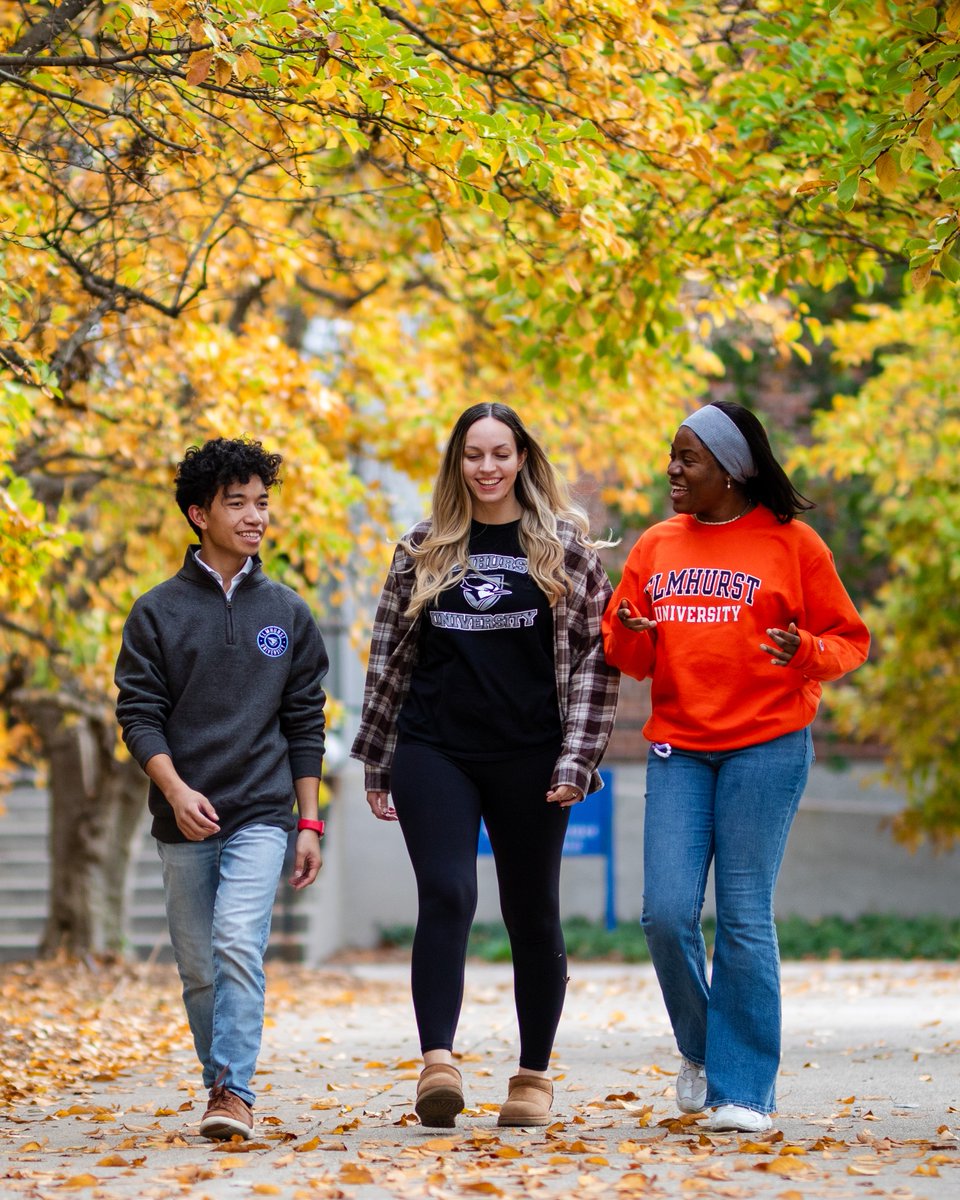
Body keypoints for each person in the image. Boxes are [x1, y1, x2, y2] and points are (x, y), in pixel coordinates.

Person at [602, 401, 869, 1134]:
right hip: (680, 747)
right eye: (672, 455)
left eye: (687, 458)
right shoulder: (656, 546)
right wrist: (629, 632)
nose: (672, 470)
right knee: (665, 912)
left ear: (732, 470)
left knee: (745, 915)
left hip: (767, 744)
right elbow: (629, 657)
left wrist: (806, 652)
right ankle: (702, 1048)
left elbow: (848, 638)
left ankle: (744, 1092)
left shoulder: (794, 545)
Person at [351, 402, 619, 1128]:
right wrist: (378, 761)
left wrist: (578, 757)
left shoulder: (565, 548)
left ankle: (532, 1076)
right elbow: (389, 660)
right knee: (446, 894)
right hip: (435, 747)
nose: (488, 467)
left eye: (502, 453)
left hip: (533, 754)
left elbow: (600, 660)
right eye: (474, 454)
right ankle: (438, 1063)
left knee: (531, 911)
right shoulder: (422, 547)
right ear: (457, 463)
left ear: (523, 459)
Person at [115, 437, 328, 1142]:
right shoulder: (156, 613)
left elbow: (304, 721)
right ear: (198, 513)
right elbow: (138, 715)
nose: (254, 516)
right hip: (183, 816)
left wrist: (308, 821)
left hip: (262, 810)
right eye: (236, 503)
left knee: (238, 940)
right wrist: (175, 791)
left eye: (261, 503)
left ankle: (234, 1090)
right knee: (199, 966)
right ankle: (220, 1082)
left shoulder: (289, 613)